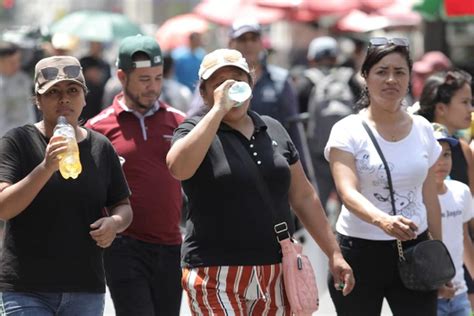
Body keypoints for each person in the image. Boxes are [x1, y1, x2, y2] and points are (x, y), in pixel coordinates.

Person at [166, 48, 355, 315]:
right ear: (204, 93)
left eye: (237, 79)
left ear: (250, 85)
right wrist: (218, 110)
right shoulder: (193, 130)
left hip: (276, 270)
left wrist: (334, 253)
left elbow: (303, 196)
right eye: (219, 83)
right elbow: (179, 167)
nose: (230, 88)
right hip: (213, 272)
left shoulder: (273, 128)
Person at [0, 55, 133, 315]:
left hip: (85, 288)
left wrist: (114, 224)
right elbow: (4, 208)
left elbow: (123, 205)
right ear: (38, 101)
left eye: (73, 91)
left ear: (84, 98)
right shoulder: (18, 142)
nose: (64, 99)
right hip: (26, 289)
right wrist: (46, 167)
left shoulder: (100, 146)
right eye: (53, 93)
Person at [325, 37, 443, 316]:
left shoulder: (423, 128)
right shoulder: (347, 130)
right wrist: (382, 220)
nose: (391, 79)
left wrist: (440, 254)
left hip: (416, 250)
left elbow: (430, 197)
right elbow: (347, 191)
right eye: (381, 71)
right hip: (359, 253)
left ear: (409, 77)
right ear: (365, 76)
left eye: (399, 72)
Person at [86, 35, 185, 316]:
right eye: (144, 79)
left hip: (171, 245)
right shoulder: (97, 128)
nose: (153, 87)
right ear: (121, 76)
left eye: (157, 78)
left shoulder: (180, 122)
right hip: (123, 245)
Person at [416, 69, 474, 313]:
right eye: (464, 102)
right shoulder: (414, 150)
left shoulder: (464, 150)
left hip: (462, 266)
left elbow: (467, 225)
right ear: (441, 108)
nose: (471, 108)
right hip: (423, 271)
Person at [431, 123, 474, 316]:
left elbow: (464, 239)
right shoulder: (416, 199)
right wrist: (436, 285)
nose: (442, 162)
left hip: (459, 294)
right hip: (429, 298)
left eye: (447, 154)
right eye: (435, 155)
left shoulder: (461, 192)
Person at [0, 40, 37, 137]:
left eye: (18, 61)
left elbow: (29, 107)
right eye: (12, 62)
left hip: (28, 132)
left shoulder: (23, 78)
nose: (17, 65)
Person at [79, 41, 112, 121]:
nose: (96, 47)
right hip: (86, 100)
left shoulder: (105, 64)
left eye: (98, 45)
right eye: (94, 44)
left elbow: (108, 82)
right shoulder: (83, 61)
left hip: (100, 100)